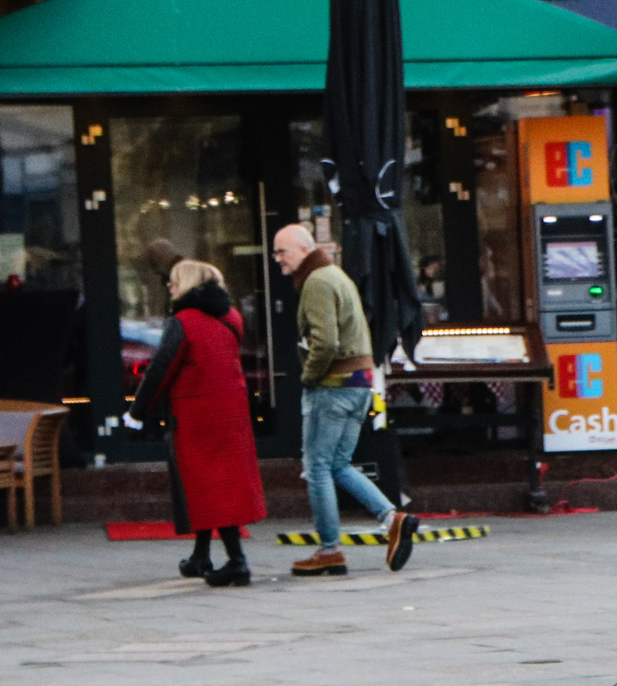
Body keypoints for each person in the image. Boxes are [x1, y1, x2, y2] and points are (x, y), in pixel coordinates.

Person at [270, 223, 418, 575]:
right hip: (359, 385)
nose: (278, 260)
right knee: (338, 464)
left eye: (282, 252)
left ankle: (329, 550)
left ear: (304, 249)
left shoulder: (317, 281)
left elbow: (325, 342)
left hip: (333, 386)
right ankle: (392, 517)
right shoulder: (336, 276)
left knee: (318, 467)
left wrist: (308, 378)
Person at [125, 260, 265, 588]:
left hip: (195, 417)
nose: (170, 288)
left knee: (210, 485)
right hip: (231, 412)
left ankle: (237, 562)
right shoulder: (231, 317)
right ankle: (201, 555)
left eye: (174, 283)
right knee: (212, 485)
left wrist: (137, 411)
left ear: (186, 285)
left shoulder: (183, 322)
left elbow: (162, 367)